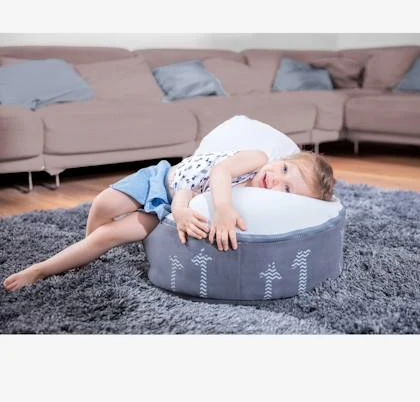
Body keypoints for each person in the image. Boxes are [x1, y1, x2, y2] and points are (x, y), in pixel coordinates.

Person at [3, 118, 335, 293]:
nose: (275, 180)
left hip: (171, 203)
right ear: (280, 159)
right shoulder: (258, 159)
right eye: (285, 169)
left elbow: (189, 196)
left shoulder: (258, 203)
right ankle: (88, 244)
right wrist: (223, 209)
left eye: (287, 188)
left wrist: (180, 211)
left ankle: (41, 269)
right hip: (160, 177)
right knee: (103, 204)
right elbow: (218, 173)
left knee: (110, 236)